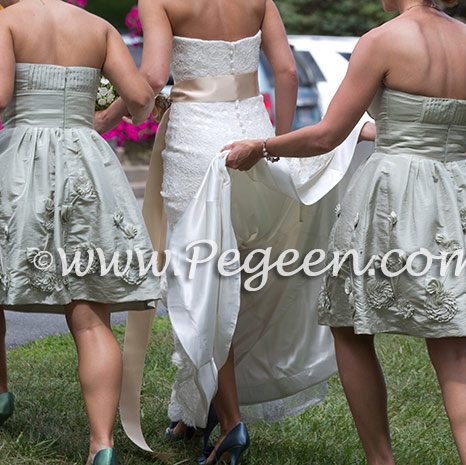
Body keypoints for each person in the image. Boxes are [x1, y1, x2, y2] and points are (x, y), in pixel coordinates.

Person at [225, 1, 466, 463]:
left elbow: (326, 134)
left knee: (349, 327)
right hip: (455, 190)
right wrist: (382, 128)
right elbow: (433, 118)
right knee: (452, 348)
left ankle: (380, 460)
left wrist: (262, 146)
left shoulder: (383, 39)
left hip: (396, 197)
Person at [96, 0, 371, 463]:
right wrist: (276, 149)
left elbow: (152, 76)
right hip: (251, 139)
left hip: (196, 146)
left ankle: (231, 423)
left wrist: (109, 115)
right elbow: (286, 74)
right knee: (236, 276)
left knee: (199, 282)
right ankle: (192, 410)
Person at [0, 0, 159, 463]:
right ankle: (102, 445)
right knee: (89, 306)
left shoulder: (3, 21)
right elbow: (141, 101)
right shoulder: (99, 27)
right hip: (85, 164)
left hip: (17, 164)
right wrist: (95, 109)